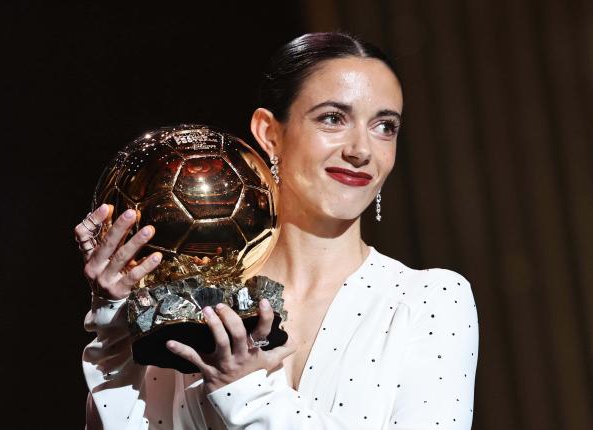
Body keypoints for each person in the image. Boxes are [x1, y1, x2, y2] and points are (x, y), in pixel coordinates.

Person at [74, 32, 478, 429]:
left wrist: (245, 391)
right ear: (270, 133)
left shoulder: (429, 300)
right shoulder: (197, 297)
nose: (361, 150)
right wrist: (114, 321)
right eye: (333, 119)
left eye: (384, 127)